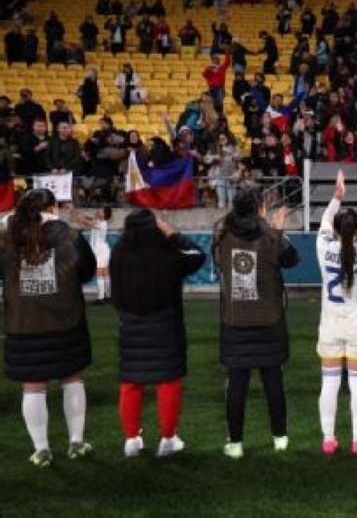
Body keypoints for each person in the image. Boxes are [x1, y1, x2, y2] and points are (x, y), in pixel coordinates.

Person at [1, 189, 96, 467]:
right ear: (52, 208)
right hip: (66, 319)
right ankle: (76, 443)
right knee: (73, 380)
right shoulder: (67, 234)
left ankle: (41, 449)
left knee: (32, 386)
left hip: (23, 322)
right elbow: (87, 269)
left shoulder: (6, 235)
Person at [109, 209, 206, 457]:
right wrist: (174, 234)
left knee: (131, 383)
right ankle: (168, 438)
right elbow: (198, 255)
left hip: (131, 326)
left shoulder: (119, 253)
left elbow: (116, 296)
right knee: (168, 383)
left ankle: (131, 440)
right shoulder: (167, 253)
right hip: (165, 326)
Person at [213, 187, 300, 459]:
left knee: (236, 385)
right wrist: (277, 230)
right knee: (273, 381)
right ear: (260, 208)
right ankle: (280, 438)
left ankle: (236, 443)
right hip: (268, 320)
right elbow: (293, 259)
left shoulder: (222, 236)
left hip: (236, 321)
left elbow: (218, 262)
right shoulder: (271, 237)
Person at [315, 172, 357, 456]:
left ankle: (328, 439)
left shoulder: (323, 246)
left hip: (330, 326)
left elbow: (324, 224)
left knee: (329, 384)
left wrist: (336, 197)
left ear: (337, 229)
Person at [72, 206, 112, 304]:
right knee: (105, 274)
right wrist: (76, 212)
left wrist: (75, 214)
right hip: (102, 250)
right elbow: (87, 219)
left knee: (100, 273)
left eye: (101, 210)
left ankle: (101, 298)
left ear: (104, 215)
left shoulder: (101, 223)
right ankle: (108, 296)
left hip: (100, 251)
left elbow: (86, 221)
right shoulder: (99, 222)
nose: (98, 210)